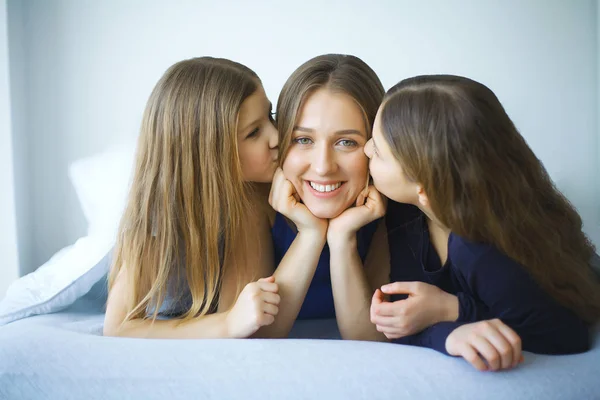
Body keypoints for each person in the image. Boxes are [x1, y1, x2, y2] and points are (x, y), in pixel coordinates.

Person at [365, 74, 600, 371]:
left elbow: (565, 336)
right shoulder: (407, 213)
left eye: (378, 152)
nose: (365, 151)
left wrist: (452, 310)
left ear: (424, 187)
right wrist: (443, 327)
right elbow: (406, 324)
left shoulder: (481, 249)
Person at [103, 57, 280, 339]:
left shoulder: (254, 192)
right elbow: (117, 327)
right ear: (209, 155)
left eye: (270, 117)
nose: (277, 137)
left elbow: (247, 313)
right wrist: (226, 324)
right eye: (254, 132)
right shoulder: (159, 226)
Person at [262, 54, 390, 340]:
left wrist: (343, 239)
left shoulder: (393, 213)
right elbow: (258, 336)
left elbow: (370, 342)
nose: (323, 167)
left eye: (346, 142)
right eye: (303, 140)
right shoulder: (254, 206)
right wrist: (310, 235)